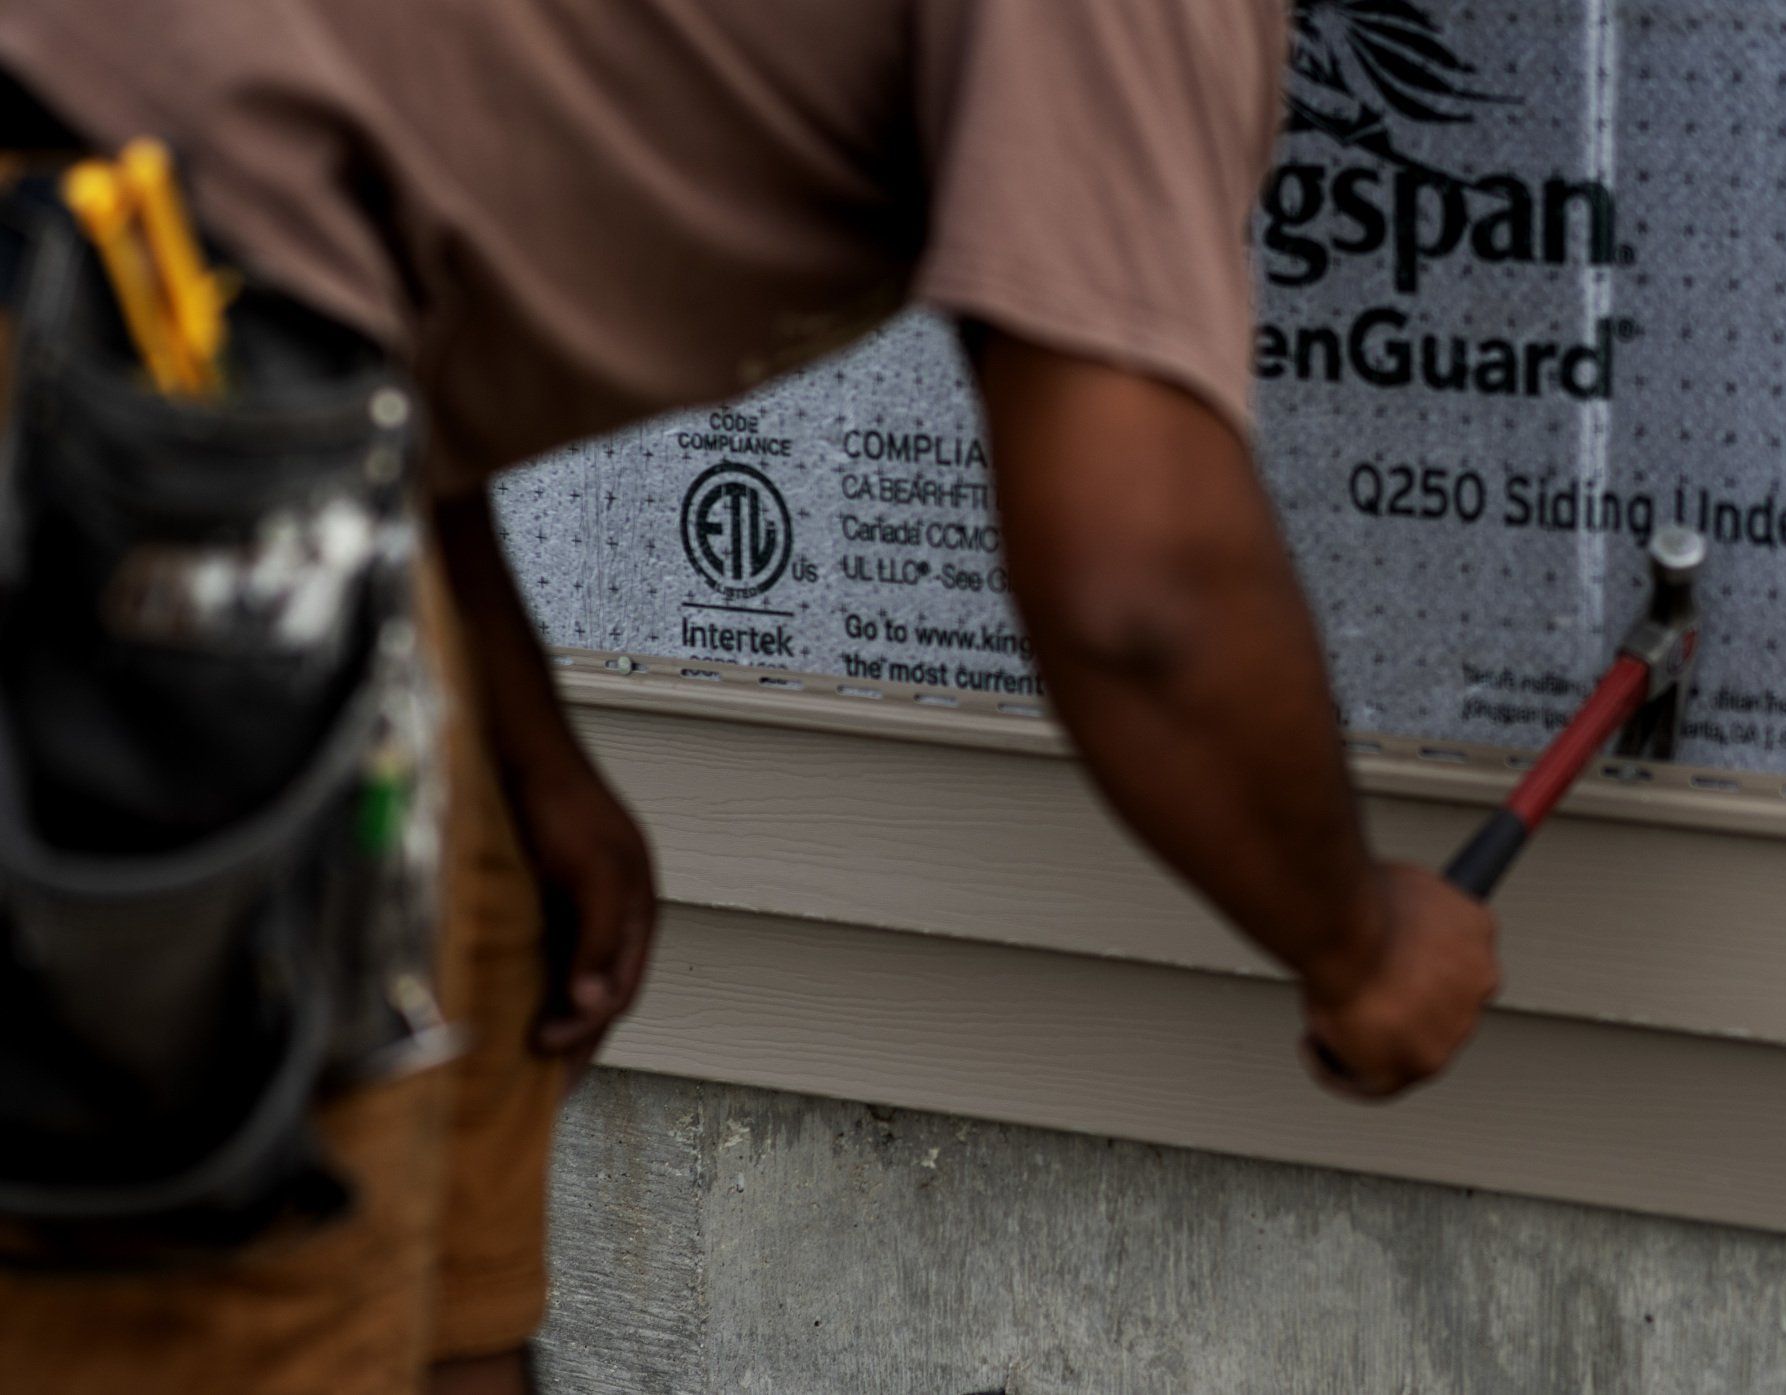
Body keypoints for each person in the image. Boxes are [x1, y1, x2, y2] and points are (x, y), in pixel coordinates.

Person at [0, 1, 1501, 1391]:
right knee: (224, 1296)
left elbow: (352, 210)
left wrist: (530, 749)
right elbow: (1139, 588)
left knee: (456, 1150)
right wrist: (1355, 943)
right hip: (106, 351)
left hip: (249, 368)